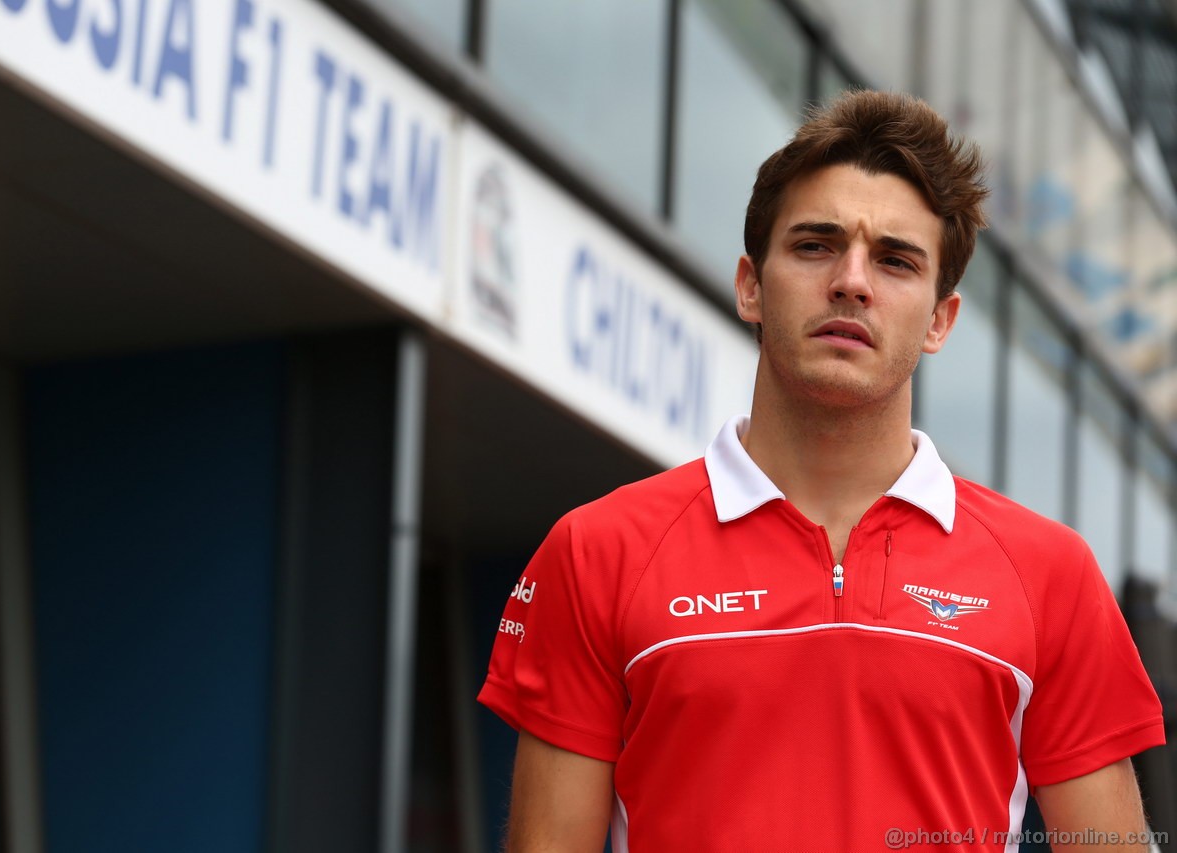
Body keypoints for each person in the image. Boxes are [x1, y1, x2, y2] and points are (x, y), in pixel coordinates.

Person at [477, 90, 1166, 852]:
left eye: (896, 260)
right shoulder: (597, 551)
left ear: (940, 319)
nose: (852, 280)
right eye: (815, 245)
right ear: (750, 285)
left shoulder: (1052, 575)